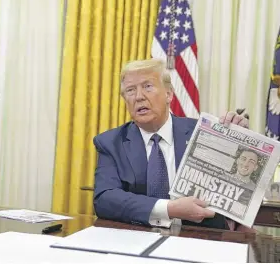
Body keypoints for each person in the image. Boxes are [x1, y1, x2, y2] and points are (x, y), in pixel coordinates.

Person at [93, 58, 249, 230]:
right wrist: (169, 209)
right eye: (130, 90)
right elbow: (104, 199)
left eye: (148, 86)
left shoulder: (203, 133)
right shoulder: (110, 142)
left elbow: (237, 187)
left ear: (169, 94)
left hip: (202, 237)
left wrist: (238, 140)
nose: (139, 97)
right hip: (138, 239)